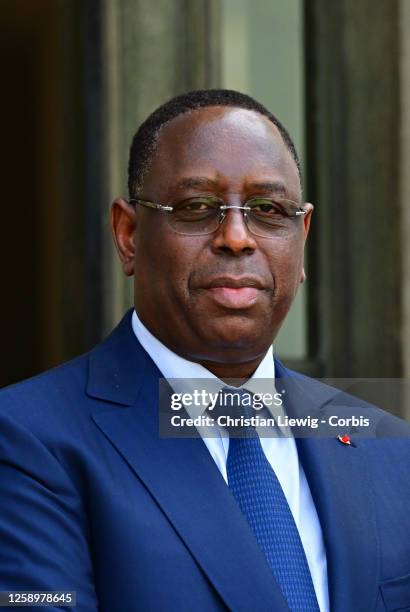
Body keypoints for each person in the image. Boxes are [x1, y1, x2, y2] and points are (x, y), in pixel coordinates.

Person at [0, 89, 409, 612]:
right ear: (128, 234)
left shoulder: (388, 449)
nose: (237, 237)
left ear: (302, 236)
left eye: (267, 209)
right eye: (197, 207)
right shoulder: (29, 442)